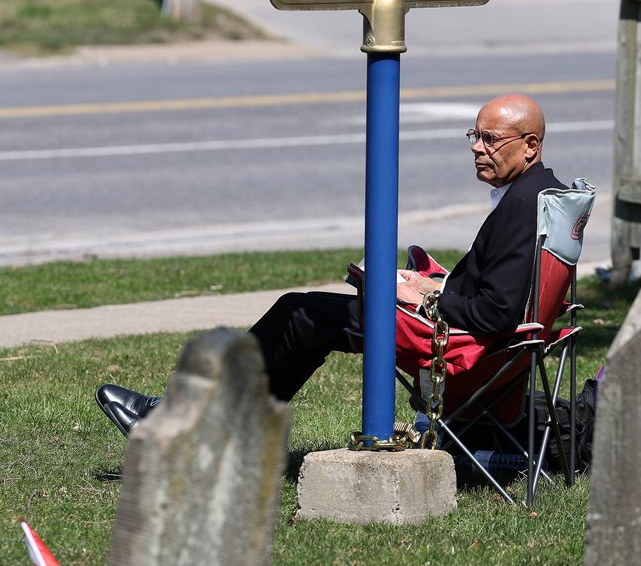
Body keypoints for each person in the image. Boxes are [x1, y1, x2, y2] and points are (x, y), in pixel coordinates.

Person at [95, 94, 566, 436]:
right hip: (479, 345)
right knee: (302, 313)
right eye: (474, 135)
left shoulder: (522, 207)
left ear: (530, 145)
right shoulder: (543, 195)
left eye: (491, 139)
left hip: (459, 349)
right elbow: (502, 295)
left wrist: (424, 294)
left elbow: (498, 313)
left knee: (300, 315)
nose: (476, 147)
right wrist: (426, 283)